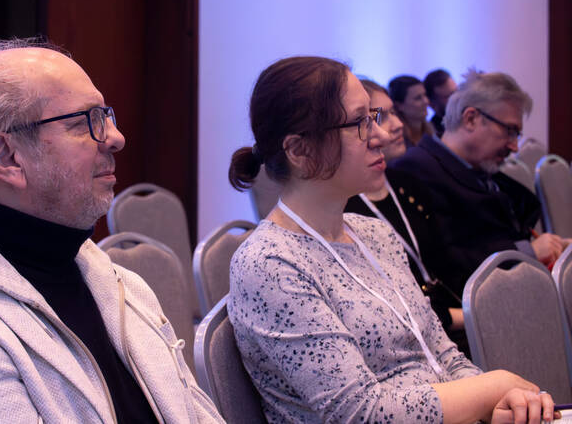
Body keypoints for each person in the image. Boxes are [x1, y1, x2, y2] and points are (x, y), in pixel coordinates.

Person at [0, 39, 223, 423]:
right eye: (84, 122)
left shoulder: (117, 282)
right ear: (8, 157)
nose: (116, 137)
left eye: (105, 116)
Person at [227, 56, 555, 424]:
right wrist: (492, 388)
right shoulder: (270, 264)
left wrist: (498, 403)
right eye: (360, 123)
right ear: (300, 150)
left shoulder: (374, 234)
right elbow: (361, 413)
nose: (382, 136)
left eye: (374, 117)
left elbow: (441, 355)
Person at [391, 69, 571, 299]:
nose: (514, 146)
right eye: (510, 131)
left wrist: (551, 246)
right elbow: (448, 263)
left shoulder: (478, 169)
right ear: (471, 119)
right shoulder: (415, 170)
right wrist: (527, 251)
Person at [344, 79, 466, 353]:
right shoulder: (344, 210)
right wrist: (469, 315)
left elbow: (446, 260)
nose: (396, 126)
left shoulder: (407, 184)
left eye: (394, 113)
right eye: (378, 117)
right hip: (415, 336)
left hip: (444, 319)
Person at [389, 74, 434, 147]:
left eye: (425, 95)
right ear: (399, 106)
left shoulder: (432, 132)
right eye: (418, 98)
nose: (426, 101)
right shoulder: (397, 142)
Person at [424, 68, 457, 137]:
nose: (457, 98)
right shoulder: (432, 135)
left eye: (456, 91)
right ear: (431, 104)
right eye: (449, 96)